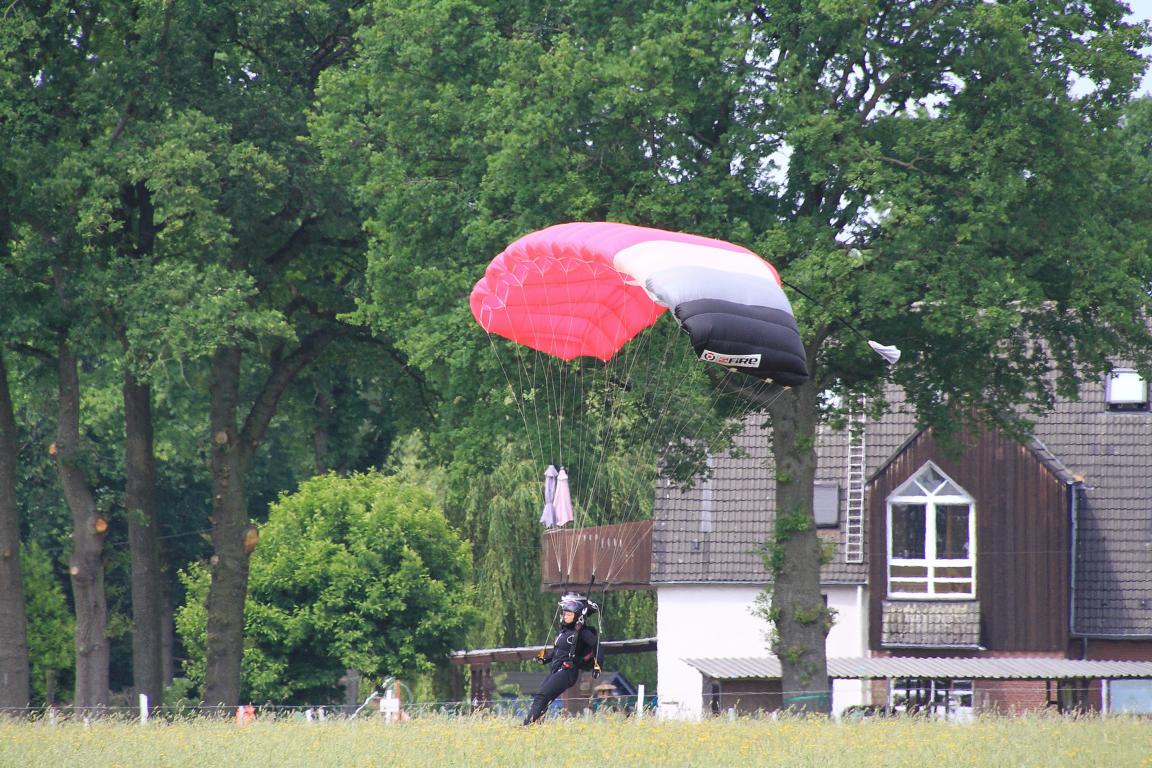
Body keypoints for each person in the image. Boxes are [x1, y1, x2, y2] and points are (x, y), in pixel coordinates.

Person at [523, 593, 600, 725]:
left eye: (569, 614)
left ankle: (527, 725)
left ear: (577, 616)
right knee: (541, 697)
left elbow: (598, 647)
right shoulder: (563, 632)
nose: (566, 616)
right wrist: (545, 659)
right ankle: (533, 724)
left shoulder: (582, 632)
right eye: (565, 614)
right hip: (557, 669)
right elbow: (557, 651)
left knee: (542, 695)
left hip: (567, 671)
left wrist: (598, 666)